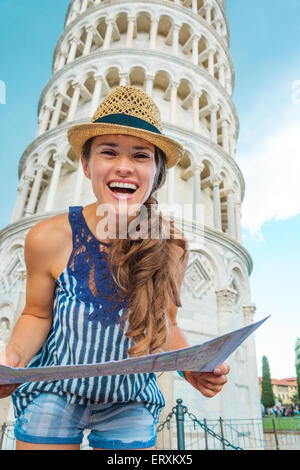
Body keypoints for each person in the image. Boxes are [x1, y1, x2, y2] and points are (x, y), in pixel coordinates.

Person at [0, 86, 230, 451]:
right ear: (87, 164)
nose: (124, 165)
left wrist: (192, 366)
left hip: (130, 397)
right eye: (109, 151)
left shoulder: (170, 245)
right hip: (56, 391)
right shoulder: (47, 238)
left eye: (141, 155)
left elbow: (164, 324)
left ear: (156, 174)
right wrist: (11, 360)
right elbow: (37, 315)